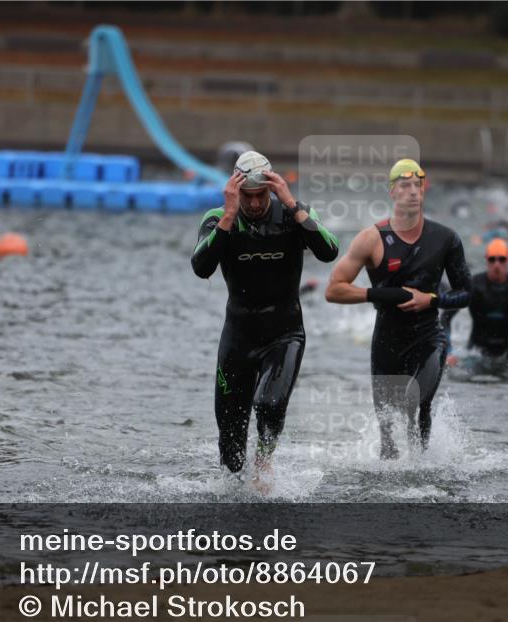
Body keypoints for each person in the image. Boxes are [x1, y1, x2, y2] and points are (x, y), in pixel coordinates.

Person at [191, 150, 339, 476]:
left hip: (284, 333)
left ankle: (264, 461)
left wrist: (293, 205)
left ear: (271, 189)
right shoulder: (217, 218)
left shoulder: (292, 215)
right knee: (230, 446)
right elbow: (201, 268)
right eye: (248, 196)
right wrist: (230, 216)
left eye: (261, 195)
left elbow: (329, 251)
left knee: (270, 404)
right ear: (235, 191)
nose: (255, 204)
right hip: (238, 338)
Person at [325, 159, 471, 459]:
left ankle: (423, 468)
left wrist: (430, 300)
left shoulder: (446, 238)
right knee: (389, 433)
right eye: (405, 186)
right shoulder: (371, 239)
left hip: (429, 336)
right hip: (387, 340)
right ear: (392, 191)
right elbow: (334, 289)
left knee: (416, 404)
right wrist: (385, 294)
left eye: (418, 185)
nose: (413, 192)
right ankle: (391, 487)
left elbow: (466, 292)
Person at [441, 238, 508, 366]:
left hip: (505, 357)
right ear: (486, 260)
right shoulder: (474, 285)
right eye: (492, 259)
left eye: (502, 259)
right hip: (475, 356)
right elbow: (446, 316)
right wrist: (449, 351)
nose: (497, 264)